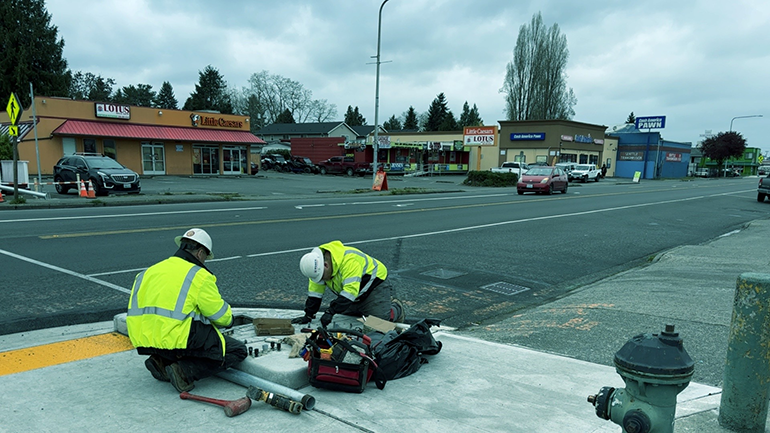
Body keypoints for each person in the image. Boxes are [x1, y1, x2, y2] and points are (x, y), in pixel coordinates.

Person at [127, 228, 247, 393]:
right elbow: (220, 317)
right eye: (206, 256)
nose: (205, 261)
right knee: (235, 349)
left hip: (143, 338)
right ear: (199, 254)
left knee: (179, 337)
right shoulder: (198, 275)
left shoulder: (148, 272)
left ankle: (160, 361)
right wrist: (229, 319)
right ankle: (183, 372)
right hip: (175, 338)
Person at [291, 240, 405, 327]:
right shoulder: (317, 269)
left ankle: (396, 309)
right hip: (355, 293)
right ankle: (363, 309)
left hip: (374, 287)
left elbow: (349, 293)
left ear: (326, 265)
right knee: (347, 319)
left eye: (322, 277)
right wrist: (308, 315)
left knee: (378, 326)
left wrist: (330, 311)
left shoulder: (349, 261)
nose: (321, 280)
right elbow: (314, 295)